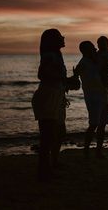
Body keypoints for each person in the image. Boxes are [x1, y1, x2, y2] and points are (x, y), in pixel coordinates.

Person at [32, 29, 69, 180]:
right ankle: (44, 171)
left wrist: (65, 82)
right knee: (47, 136)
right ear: (54, 40)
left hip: (55, 96)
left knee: (58, 132)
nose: (63, 38)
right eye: (60, 36)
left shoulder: (56, 55)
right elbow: (41, 74)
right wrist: (62, 78)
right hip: (48, 97)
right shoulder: (49, 55)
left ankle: (50, 165)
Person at [74, 41, 108, 159]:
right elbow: (76, 77)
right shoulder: (83, 63)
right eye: (92, 48)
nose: (95, 49)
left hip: (103, 95)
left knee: (102, 124)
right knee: (93, 124)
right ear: (86, 51)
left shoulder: (95, 60)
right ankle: (86, 151)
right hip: (93, 97)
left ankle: (98, 151)